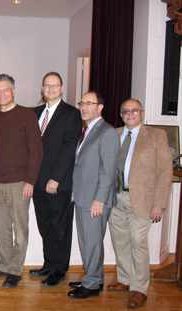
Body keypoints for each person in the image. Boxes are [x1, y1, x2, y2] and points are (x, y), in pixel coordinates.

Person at [107, 99, 172, 308]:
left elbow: (164, 172)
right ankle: (124, 280)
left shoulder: (156, 136)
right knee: (120, 241)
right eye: (126, 111)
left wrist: (159, 203)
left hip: (143, 201)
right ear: (121, 115)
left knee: (139, 244)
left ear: (142, 113)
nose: (130, 114)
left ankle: (139, 289)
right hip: (116, 198)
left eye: (135, 110)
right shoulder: (114, 134)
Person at [0, 74, 43, 288]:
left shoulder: (27, 115)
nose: (1, 94)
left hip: (20, 183)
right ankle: (4, 265)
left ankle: (15, 271)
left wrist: (30, 181)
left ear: (13, 91)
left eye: (5, 90)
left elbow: (36, 150)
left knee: (20, 230)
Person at [31, 72, 82, 287]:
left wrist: (56, 178)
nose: (51, 89)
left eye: (55, 85)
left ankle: (59, 269)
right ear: (42, 89)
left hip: (57, 183)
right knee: (45, 226)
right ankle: (49, 264)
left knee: (61, 227)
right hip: (37, 182)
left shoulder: (71, 114)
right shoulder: (34, 113)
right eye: (47, 86)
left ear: (61, 88)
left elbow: (69, 149)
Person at [68, 91, 120, 299]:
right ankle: (94, 278)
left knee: (92, 242)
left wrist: (99, 199)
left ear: (100, 107)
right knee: (88, 242)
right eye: (82, 102)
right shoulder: (88, 130)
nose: (84, 107)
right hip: (83, 197)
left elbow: (109, 171)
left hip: (95, 200)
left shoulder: (107, 132)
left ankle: (91, 284)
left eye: (89, 103)